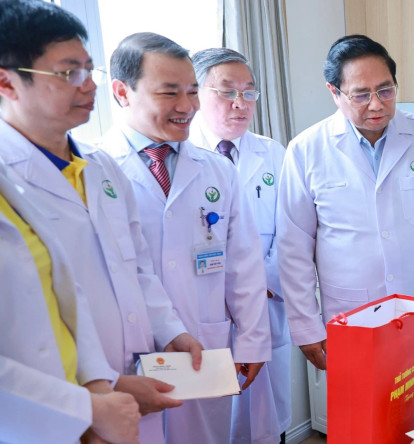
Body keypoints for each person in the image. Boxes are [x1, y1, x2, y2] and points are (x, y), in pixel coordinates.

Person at [0, 2, 201, 442]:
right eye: (68, 73)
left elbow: (137, 268)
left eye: (88, 70)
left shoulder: (102, 167)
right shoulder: (10, 179)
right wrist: (101, 388)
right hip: (56, 406)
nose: (88, 85)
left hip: (133, 376)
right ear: (7, 82)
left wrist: (172, 331)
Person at [277, 34, 414, 382]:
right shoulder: (306, 151)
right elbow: (293, 246)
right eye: (361, 94)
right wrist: (305, 325)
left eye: (386, 90)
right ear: (334, 93)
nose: (377, 104)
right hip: (353, 316)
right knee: (362, 424)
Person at [99, 32, 272, 444]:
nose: (187, 106)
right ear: (122, 92)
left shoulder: (216, 170)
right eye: (169, 92)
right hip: (129, 352)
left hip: (205, 344)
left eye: (193, 91)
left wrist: (251, 341)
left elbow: (244, 265)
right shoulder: (95, 169)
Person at [0, 158, 140, 443]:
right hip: (33, 422)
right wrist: (89, 408)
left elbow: (64, 292)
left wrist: (97, 388)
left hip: (71, 409)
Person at [190, 47, 290, 444]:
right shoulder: (185, 156)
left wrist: (257, 281)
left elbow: (294, 233)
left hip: (266, 304)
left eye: (249, 93)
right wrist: (231, 289)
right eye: (227, 91)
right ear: (196, 92)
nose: (240, 103)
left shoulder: (274, 153)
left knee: (268, 425)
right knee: (215, 425)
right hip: (206, 311)